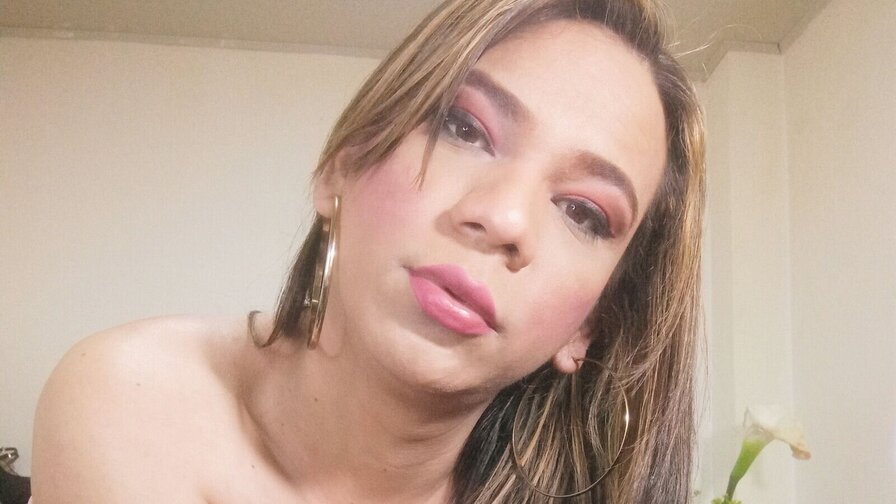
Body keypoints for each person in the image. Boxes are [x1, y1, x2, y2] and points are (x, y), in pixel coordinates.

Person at [31, 0, 705, 502]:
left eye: (584, 213)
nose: (503, 217)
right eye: (464, 128)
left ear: (591, 324)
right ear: (342, 165)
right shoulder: (136, 400)